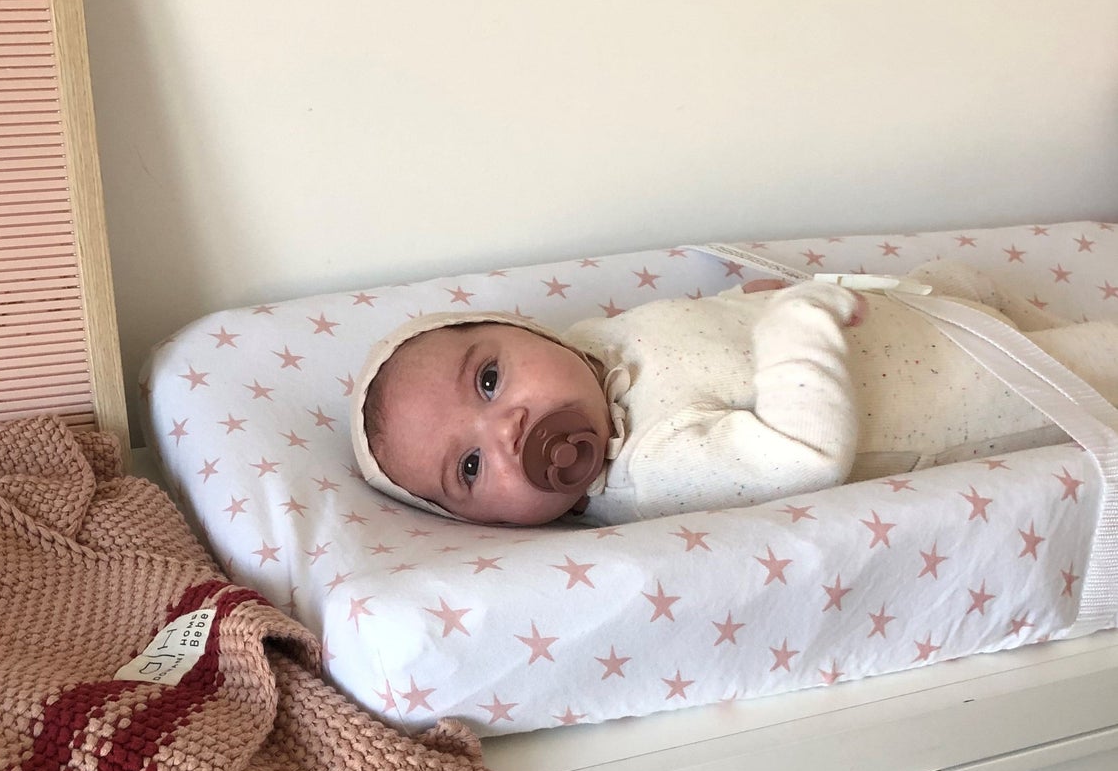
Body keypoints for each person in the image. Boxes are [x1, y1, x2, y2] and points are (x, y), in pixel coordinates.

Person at [351, 261, 1118, 526]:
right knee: (1094, 367)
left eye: (489, 380)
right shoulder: (653, 469)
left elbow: (691, 336)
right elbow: (804, 453)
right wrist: (792, 324)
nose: (508, 430)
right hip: (966, 393)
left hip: (921, 316)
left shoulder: (594, 345)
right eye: (472, 468)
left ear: (527, 330)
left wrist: (743, 304)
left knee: (1025, 312)